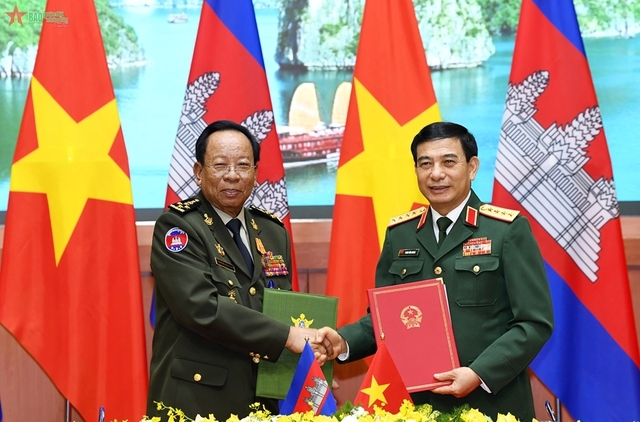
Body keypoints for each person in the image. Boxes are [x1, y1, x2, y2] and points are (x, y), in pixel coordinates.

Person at [318, 122, 553, 421]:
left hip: (491, 404)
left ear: (472, 167)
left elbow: (533, 323)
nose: (436, 173)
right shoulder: (400, 234)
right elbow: (386, 320)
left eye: (448, 162)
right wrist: (343, 341)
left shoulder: (506, 231)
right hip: (414, 408)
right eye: (425, 163)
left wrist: (479, 373)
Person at [147, 120, 318, 420]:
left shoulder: (272, 230)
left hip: (264, 401)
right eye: (220, 165)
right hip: (197, 401)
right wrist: (287, 337)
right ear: (199, 172)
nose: (232, 176)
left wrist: (310, 364)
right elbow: (200, 307)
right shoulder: (178, 227)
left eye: (243, 165)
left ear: (255, 172)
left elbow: (284, 306)